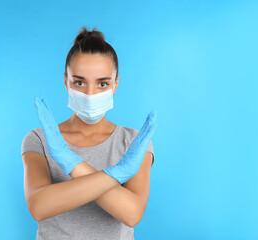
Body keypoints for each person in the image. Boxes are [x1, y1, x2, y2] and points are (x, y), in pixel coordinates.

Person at [21, 26, 157, 240]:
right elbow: (39, 206)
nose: (90, 94)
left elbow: (132, 213)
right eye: (79, 82)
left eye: (102, 83)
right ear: (66, 81)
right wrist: (116, 175)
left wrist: (71, 163)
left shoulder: (134, 142)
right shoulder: (39, 139)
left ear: (116, 84)